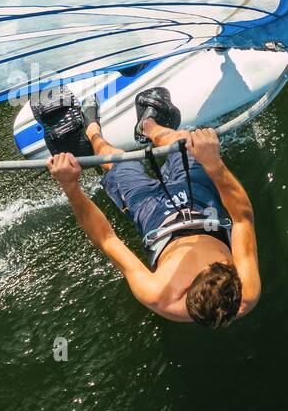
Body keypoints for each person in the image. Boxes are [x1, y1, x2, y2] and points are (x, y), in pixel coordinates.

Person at [46, 88, 260, 327]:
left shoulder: (157, 295)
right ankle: (147, 126)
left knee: (116, 160)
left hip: (155, 220)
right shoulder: (247, 290)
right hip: (202, 208)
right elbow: (242, 218)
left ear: (186, 292)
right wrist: (213, 162)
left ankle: (91, 129)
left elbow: (107, 239)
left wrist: (70, 186)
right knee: (182, 142)